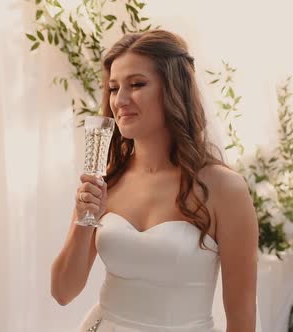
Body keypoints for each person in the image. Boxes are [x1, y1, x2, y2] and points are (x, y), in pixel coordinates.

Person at [51, 30, 259, 332]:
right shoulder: (107, 180)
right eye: (113, 88)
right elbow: (62, 292)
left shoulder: (224, 189)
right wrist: (86, 220)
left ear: (174, 90)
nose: (119, 100)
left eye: (137, 84)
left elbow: (242, 321)